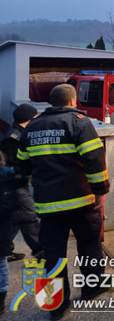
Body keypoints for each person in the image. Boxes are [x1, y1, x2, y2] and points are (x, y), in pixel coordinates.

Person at [17, 84, 109, 319]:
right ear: (72, 100)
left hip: (48, 206)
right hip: (81, 200)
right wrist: (100, 191)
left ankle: (55, 306)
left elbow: (22, 167)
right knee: (89, 246)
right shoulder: (79, 122)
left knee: (52, 255)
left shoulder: (31, 127)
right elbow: (94, 160)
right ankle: (92, 288)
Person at [0, 104, 42, 262]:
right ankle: (42, 250)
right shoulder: (14, 139)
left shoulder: (19, 133)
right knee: (28, 217)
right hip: (13, 186)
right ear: (28, 120)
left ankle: (5, 249)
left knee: (13, 219)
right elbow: (12, 165)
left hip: (15, 185)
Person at [0, 150, 17, 315]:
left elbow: (9, 205)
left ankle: (1, 299)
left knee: (1, 261)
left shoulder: (7, 176)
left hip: (2, 226)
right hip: (4, 226)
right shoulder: (7, 175)